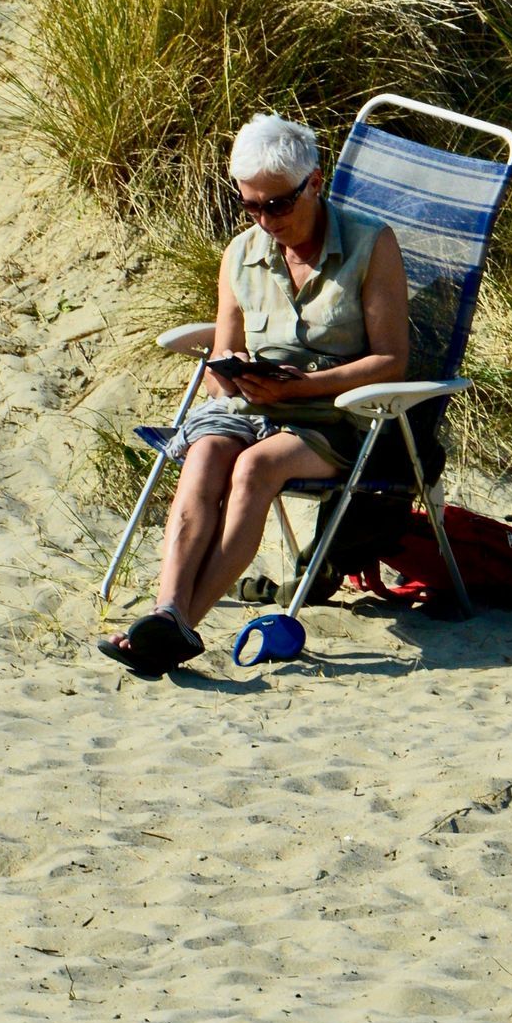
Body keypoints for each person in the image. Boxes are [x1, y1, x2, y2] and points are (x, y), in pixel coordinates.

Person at [100, 113, 409, 676]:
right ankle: (167, 611)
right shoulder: (240, 256)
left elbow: (391, 359)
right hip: (254, 405)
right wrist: (236, 371)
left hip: (337, 415)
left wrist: (306, 385)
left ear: (315, 182)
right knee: (205, 455)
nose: (265, 220)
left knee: (254, 469)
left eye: (278, 205)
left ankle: (175, 626)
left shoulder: (370, 245)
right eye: (251, 206)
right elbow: (226, 357)